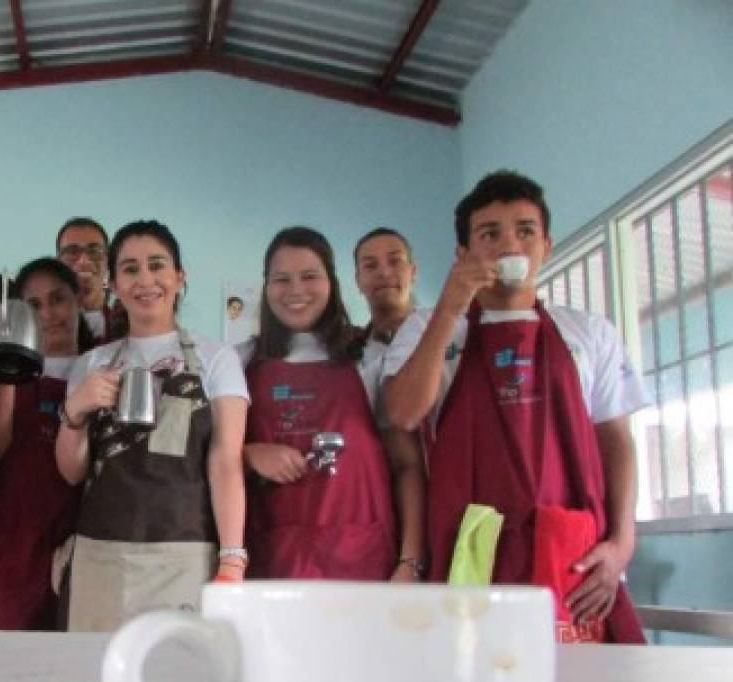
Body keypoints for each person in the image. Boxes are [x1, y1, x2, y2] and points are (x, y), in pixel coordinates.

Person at [383, 170, 646, 643]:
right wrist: (450, 305)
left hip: (572, 550)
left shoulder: (588, 331)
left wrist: (622, 543)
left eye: (525, 231)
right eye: (490, 234)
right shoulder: (432, 327)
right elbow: (402, 413)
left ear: (547, 244)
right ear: (463, 252)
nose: (510, 245)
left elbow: (617, 443)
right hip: (472, 547)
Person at [56, 220, 249, 631]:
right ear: (114, 283)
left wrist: (233, 557)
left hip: (183, 557)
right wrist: (74, 412)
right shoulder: (91, 364)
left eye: (157, 265)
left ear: (180, 277)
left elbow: (225, 462)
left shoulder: (216, 359)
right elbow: (72, 472)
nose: (145, 280)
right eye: (129, 269)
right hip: (99, 554)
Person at [241, 227, 425, 581]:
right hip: (275, 563)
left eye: (310, 276)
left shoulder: (370, 359)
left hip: (364, 560)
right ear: (266, 287)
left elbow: (407, 465)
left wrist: (411, 561)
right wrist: (250, 454)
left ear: (332, 283)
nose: (296, 290)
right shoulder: (241, 361)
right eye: (282, 279)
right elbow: (209, 456)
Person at [0, 258, 92, 629]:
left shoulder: (100, 366)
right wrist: (10, 367)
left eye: (58, 300)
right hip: (7, 541)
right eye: (33, 306)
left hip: (74, 542)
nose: (49, 314)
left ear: (78, 301)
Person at [353, 227, 418, 414]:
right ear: (358, 280)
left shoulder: (448, 335)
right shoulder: (346, 356)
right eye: (370, 265)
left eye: (395, 261)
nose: (384, 272)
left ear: (413, 272)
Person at [56, 216, 124, 343]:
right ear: (58, 263)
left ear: (108, 261)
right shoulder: (42, 330)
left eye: (94, 251)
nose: (83, 261)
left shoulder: (129, 329)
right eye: (72, 251)